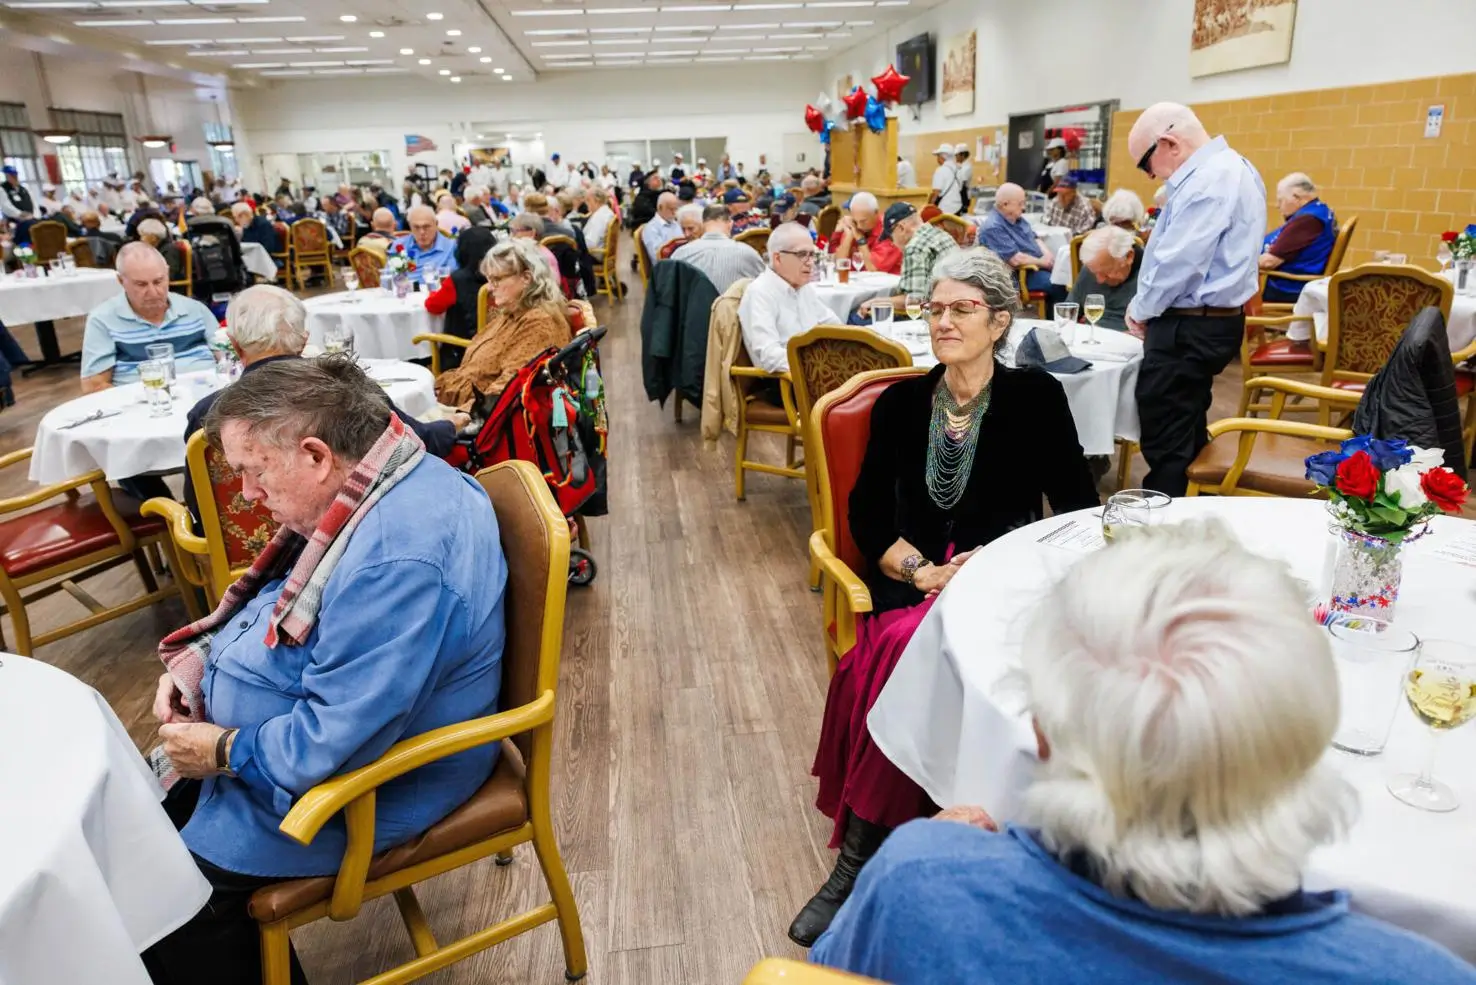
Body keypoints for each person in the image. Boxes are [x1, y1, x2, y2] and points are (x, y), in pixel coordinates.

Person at [813, 521, 1476, 985]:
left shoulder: (922, 884)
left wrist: (927, 856)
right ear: (1306, 751)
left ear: (1040, 734)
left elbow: (814, 975)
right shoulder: (1422, 974)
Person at [139, 355, 506, 985]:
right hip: (307, 753)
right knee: (135, 826)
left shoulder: (393, 557)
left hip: (375, 785)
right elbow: (274, 597)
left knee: (162, 896)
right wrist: (201, 664)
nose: (248, 494)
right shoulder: (373, 482)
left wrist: (222, 748)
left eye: (253, 472)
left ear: (315, 454)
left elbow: (336, 742)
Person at [790, 247, 1097, 948]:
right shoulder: (901, 403)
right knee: (905, 644)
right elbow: (865, 515)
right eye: (935, 309)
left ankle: (871, 853)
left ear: (998, 321)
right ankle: (858, 859)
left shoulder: (1036, 398)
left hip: (1006, 577)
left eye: (963, 309)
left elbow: (1077, 506)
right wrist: (921, 568)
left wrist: (996, 557)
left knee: (915, 651)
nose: (944, 321)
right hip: (910, 583)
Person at [1125, 102, 1264, 497]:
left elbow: (1179, 261)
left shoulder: (1210, 178)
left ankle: (1166, 519)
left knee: (1163, 430)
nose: (1150, 174)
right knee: (1183, 422)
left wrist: (1141, 309)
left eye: (1145, 163)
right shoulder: (1234, 167)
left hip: (1190, 322)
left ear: (1168, 142)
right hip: (1207, 320)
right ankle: (1193, 505)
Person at [185, 285, 462, 479]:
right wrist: (451, 426)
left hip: (244, 557)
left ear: (235, 345)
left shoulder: (207, 415)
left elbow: (200, 508)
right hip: (348, 539)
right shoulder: (348, 388)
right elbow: (415, 442)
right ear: (304, 340)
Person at [432, 239, 571, 412]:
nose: (490, 288)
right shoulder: (511, 311)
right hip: (458, 397)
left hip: (479, 417)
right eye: (489, 280)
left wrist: (454, 419)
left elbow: (507, 391)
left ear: (526, 278)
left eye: (496, 279)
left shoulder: (539, 323)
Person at [81, 243, 216, 392]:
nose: (153, 292)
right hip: (143, 406)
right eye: (141, 284)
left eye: (158, 281)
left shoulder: (195, 310)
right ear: (121, 281)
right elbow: (94, 385)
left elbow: (232, 358)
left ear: (168, 274)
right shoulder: (103, 319)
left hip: (209, 400)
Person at [736, 222, 834, 382]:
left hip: (816, 374)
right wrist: (816, 364)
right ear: (778, 258)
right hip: (785, 382)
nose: (810, 262)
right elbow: (769, 355)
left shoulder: (802, 288)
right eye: (802, 254)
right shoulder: (760, 292)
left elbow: (833, 325)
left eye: (813, 254)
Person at [857, 204, 959, 318]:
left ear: (901, 228)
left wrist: (875, 302)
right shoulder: (942, 235)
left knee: (855, 318)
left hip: (935, 318)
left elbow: (915, 301)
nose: (893, 243)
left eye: (891, 238)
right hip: (955, 310)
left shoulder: (914, 247)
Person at [976, 183, 1065, 306]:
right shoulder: (993, 227)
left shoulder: (1017, 218)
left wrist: (1048, 255)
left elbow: (1035, 237)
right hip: (1020, 276)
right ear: (1005, 204)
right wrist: (1044, 262)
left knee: (1067, 277)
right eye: (1020, 203)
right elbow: (1015, 260)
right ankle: (1059, 321)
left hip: (1037, 268)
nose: (1024, 207)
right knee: (1058, 284)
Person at [424, 227, 498, 366]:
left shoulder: (457, 280)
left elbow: (433, 306)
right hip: (497, 344)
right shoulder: (501, 276)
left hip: (463, 352)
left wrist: (433, 293)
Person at [1260, 172, 1337, 304]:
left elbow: (1268, 263)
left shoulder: (1308, 219)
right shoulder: (1319, 211)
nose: (1278, 206)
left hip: (1287, 287)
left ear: (1296, 197)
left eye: (1281, 200)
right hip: (1292, 282)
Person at [671, 204, 766, 293]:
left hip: (692, 310)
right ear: (730, 224)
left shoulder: (680, 254)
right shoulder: (747, 253)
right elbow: (765, 286)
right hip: (732, 310)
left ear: (703, 225)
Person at [1066, 226, 1141, 332]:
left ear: (1129, 257)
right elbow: (1069, 313)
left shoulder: (1150, 275)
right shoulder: (1092, 268)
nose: (1099, 280)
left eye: (1106, 273)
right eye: (1094, 273)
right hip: (1089, 338)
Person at [401, 204, 457, 284]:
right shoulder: (398, 246)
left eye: (426, 226)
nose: (422, 232)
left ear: (436, 224)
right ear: (410, 226)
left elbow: (452, 279)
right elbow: (392, 276)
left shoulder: (451, 247)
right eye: (416, 227)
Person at [829, 192, 881, 266]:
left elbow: (873, 267)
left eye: (863, 221)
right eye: (856, 221)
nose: (859, 226)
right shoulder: (853, 225)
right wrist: (849, 235)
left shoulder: (886, 230)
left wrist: (860, 239)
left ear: (876, 213)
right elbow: (838, 262)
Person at [136, 218, 189, 286]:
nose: (141, 239)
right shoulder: (155, 249)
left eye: (143, 235)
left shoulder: (170, 250)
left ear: (153, 237)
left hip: (169, 289)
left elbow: (170, 275)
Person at [641, 192, 684, 262]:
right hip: (667, 268)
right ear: (660, 207)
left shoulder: (675, 223)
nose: (674, 212)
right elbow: (658, 256)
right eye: (671, 209)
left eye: (676, 209)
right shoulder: (651, 229)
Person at [928, 144, 964, 216]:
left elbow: (936, 193)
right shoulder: (958, 169)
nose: (937, 158)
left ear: (942, 157)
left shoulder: (941, 170)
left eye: (938, 156)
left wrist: (928, 207)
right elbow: (960, 188)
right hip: (958, 207)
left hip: (945, 208)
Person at [582, 185, 617, 256]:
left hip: (594, 254)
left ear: (597, 201)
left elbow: (591, 243)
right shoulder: (606, 211)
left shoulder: (600, 217)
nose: (586, 203)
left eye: (588, 200)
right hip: (598, 252)